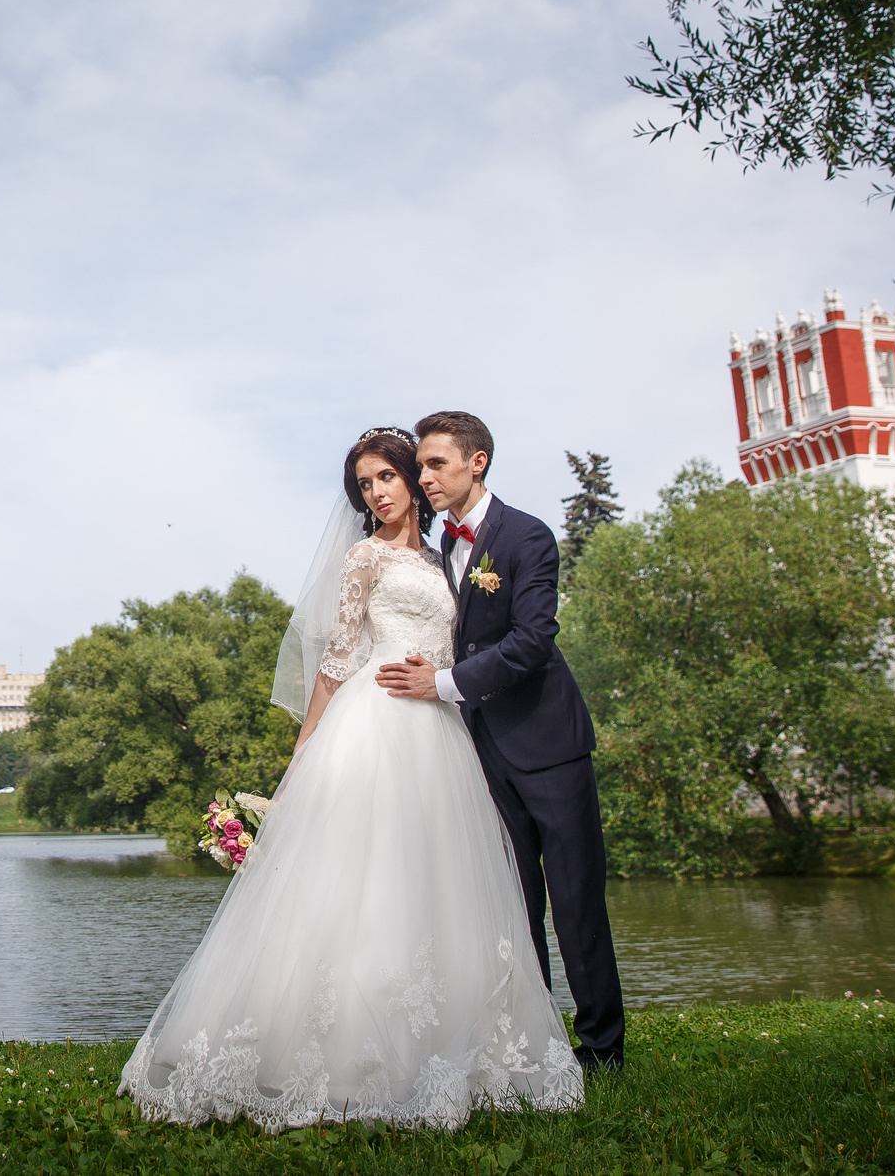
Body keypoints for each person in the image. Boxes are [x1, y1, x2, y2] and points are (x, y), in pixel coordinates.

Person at [119, 426, 582, 1131]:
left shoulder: (447, 558)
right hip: (375, 721)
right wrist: (305, 751)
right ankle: (335, 1055)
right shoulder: (363, 557)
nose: (378, 492)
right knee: (360, 882)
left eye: (388, 477)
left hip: (441, 728)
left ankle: (455, 1044)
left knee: (440, 882)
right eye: (366, 484)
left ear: (414, 481)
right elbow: (336, 660)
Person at [378, 410, 626, 1071]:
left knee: (577, 907)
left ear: (476, 461)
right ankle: (534, 1045)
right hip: (482, 753)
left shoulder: (526, 536)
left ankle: (603, 1050)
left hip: (549, 746)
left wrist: (446, 682)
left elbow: (532, 638)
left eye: (436, 464)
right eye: (421, 465)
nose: (423, 477)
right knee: (512, 910)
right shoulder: (443, 547)